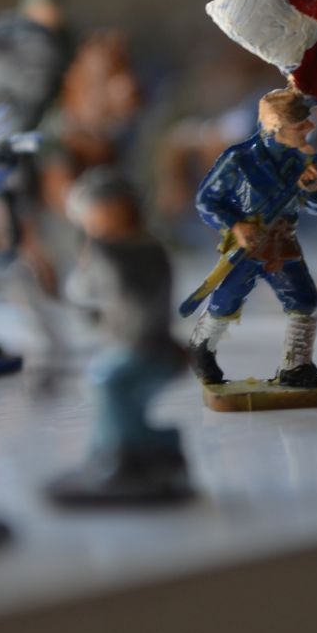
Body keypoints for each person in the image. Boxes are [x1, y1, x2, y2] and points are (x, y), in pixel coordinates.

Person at [49, 168, 189, 504]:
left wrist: (93, 259)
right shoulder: (108, 251)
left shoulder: (140, 252)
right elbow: (81, 297)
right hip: (132, 343)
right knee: (108, 385)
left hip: (148, 347)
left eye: (101, 213)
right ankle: (119, 450)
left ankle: (131, 453)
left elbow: (128, 304)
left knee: (109, 382)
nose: (93, 223)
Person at [187, 88, 317, 388]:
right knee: (226, 301)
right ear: (277, 128)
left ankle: (296, 366)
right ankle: (200, 349)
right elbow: (207, 201)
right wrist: (236, 226)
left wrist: (316, 188)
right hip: (248, 246)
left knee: (305, 301)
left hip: (282, 244)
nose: (311, 127)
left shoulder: (303, 161)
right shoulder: (239, 160)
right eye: (300, 124)